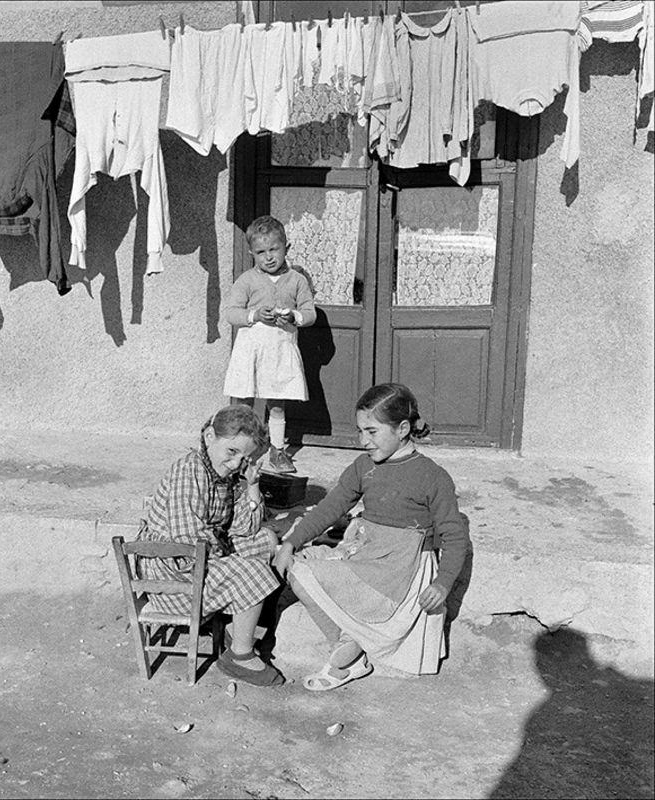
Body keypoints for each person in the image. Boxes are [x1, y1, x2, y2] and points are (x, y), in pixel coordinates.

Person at [273, 383, 472, 691]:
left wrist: (443, 583)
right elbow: (331, 507)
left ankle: (345, 658)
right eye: (359, 431)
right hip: (366, 551)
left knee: (309, 572)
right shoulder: (363, 466)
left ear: (402, 429)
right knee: (296, 568)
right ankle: (347, 645)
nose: (363, 441)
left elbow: (454, 536)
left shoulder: (432, 476)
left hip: (400, 570)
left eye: (372, 432)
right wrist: (291, 542)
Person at [138, 404, 284, 687]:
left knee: (265, 540)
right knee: (253, 571)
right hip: (172, 576)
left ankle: (238, 623)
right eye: (232, 451)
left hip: (197, 561)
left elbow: (245, 528)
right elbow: (189, 541)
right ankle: (239, 655)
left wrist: (253, 485)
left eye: (245, 458)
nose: (236, 463)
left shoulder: (223, 476)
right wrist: (233, 558)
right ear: (209, 437)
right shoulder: (190, 470)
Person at [222, 215, 316, 474]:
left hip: (280, 348)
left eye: (274, 249)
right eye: (261, 252)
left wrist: (294, 317)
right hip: (251, 349)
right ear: (252, 253)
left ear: (287, 247)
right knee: (243, 401)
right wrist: (254, 315)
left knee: (277, 402)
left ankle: (277, 449)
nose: (269, 257)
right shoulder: (246, 280)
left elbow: (310, 313)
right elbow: (231, 313)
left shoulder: (297, 280)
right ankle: (237, 449)